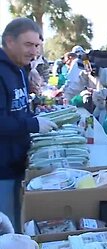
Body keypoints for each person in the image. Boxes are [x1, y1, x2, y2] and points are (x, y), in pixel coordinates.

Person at [0, 17, 58, 232]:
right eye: (28, 44)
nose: (34, 51)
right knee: (6, 229)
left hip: (18, 162)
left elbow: (18, 109)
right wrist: (32, 125)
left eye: (37, 45)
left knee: (17, 221)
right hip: (2, 168)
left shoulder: (20, 69)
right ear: (9, 41)